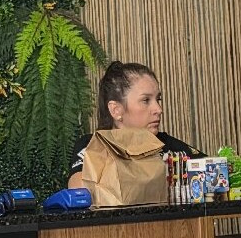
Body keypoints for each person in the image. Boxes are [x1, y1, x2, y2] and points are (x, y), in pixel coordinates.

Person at [68, 61, 200, 188]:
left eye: (158, 99)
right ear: (116, 110)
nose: (158, 109)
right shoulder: (93, 145)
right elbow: (79, 189)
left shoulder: (167, 146)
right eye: (146, 100)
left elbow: (208, 170)